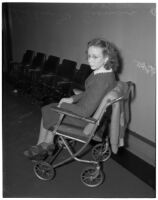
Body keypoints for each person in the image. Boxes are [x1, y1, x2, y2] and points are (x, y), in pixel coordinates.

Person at [24, 38, 120, 160]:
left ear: (106, 58)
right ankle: (46, 144)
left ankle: (44, 145)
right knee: (51, 109)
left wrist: (62, 107)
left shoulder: (101, 80)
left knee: (49, 110)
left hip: (86, 119)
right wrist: (73, 99)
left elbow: (86, 111)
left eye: (95, 57)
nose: (90, 60)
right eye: (89, 55)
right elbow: (89, 93)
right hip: (88, 111)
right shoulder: (105, 72)